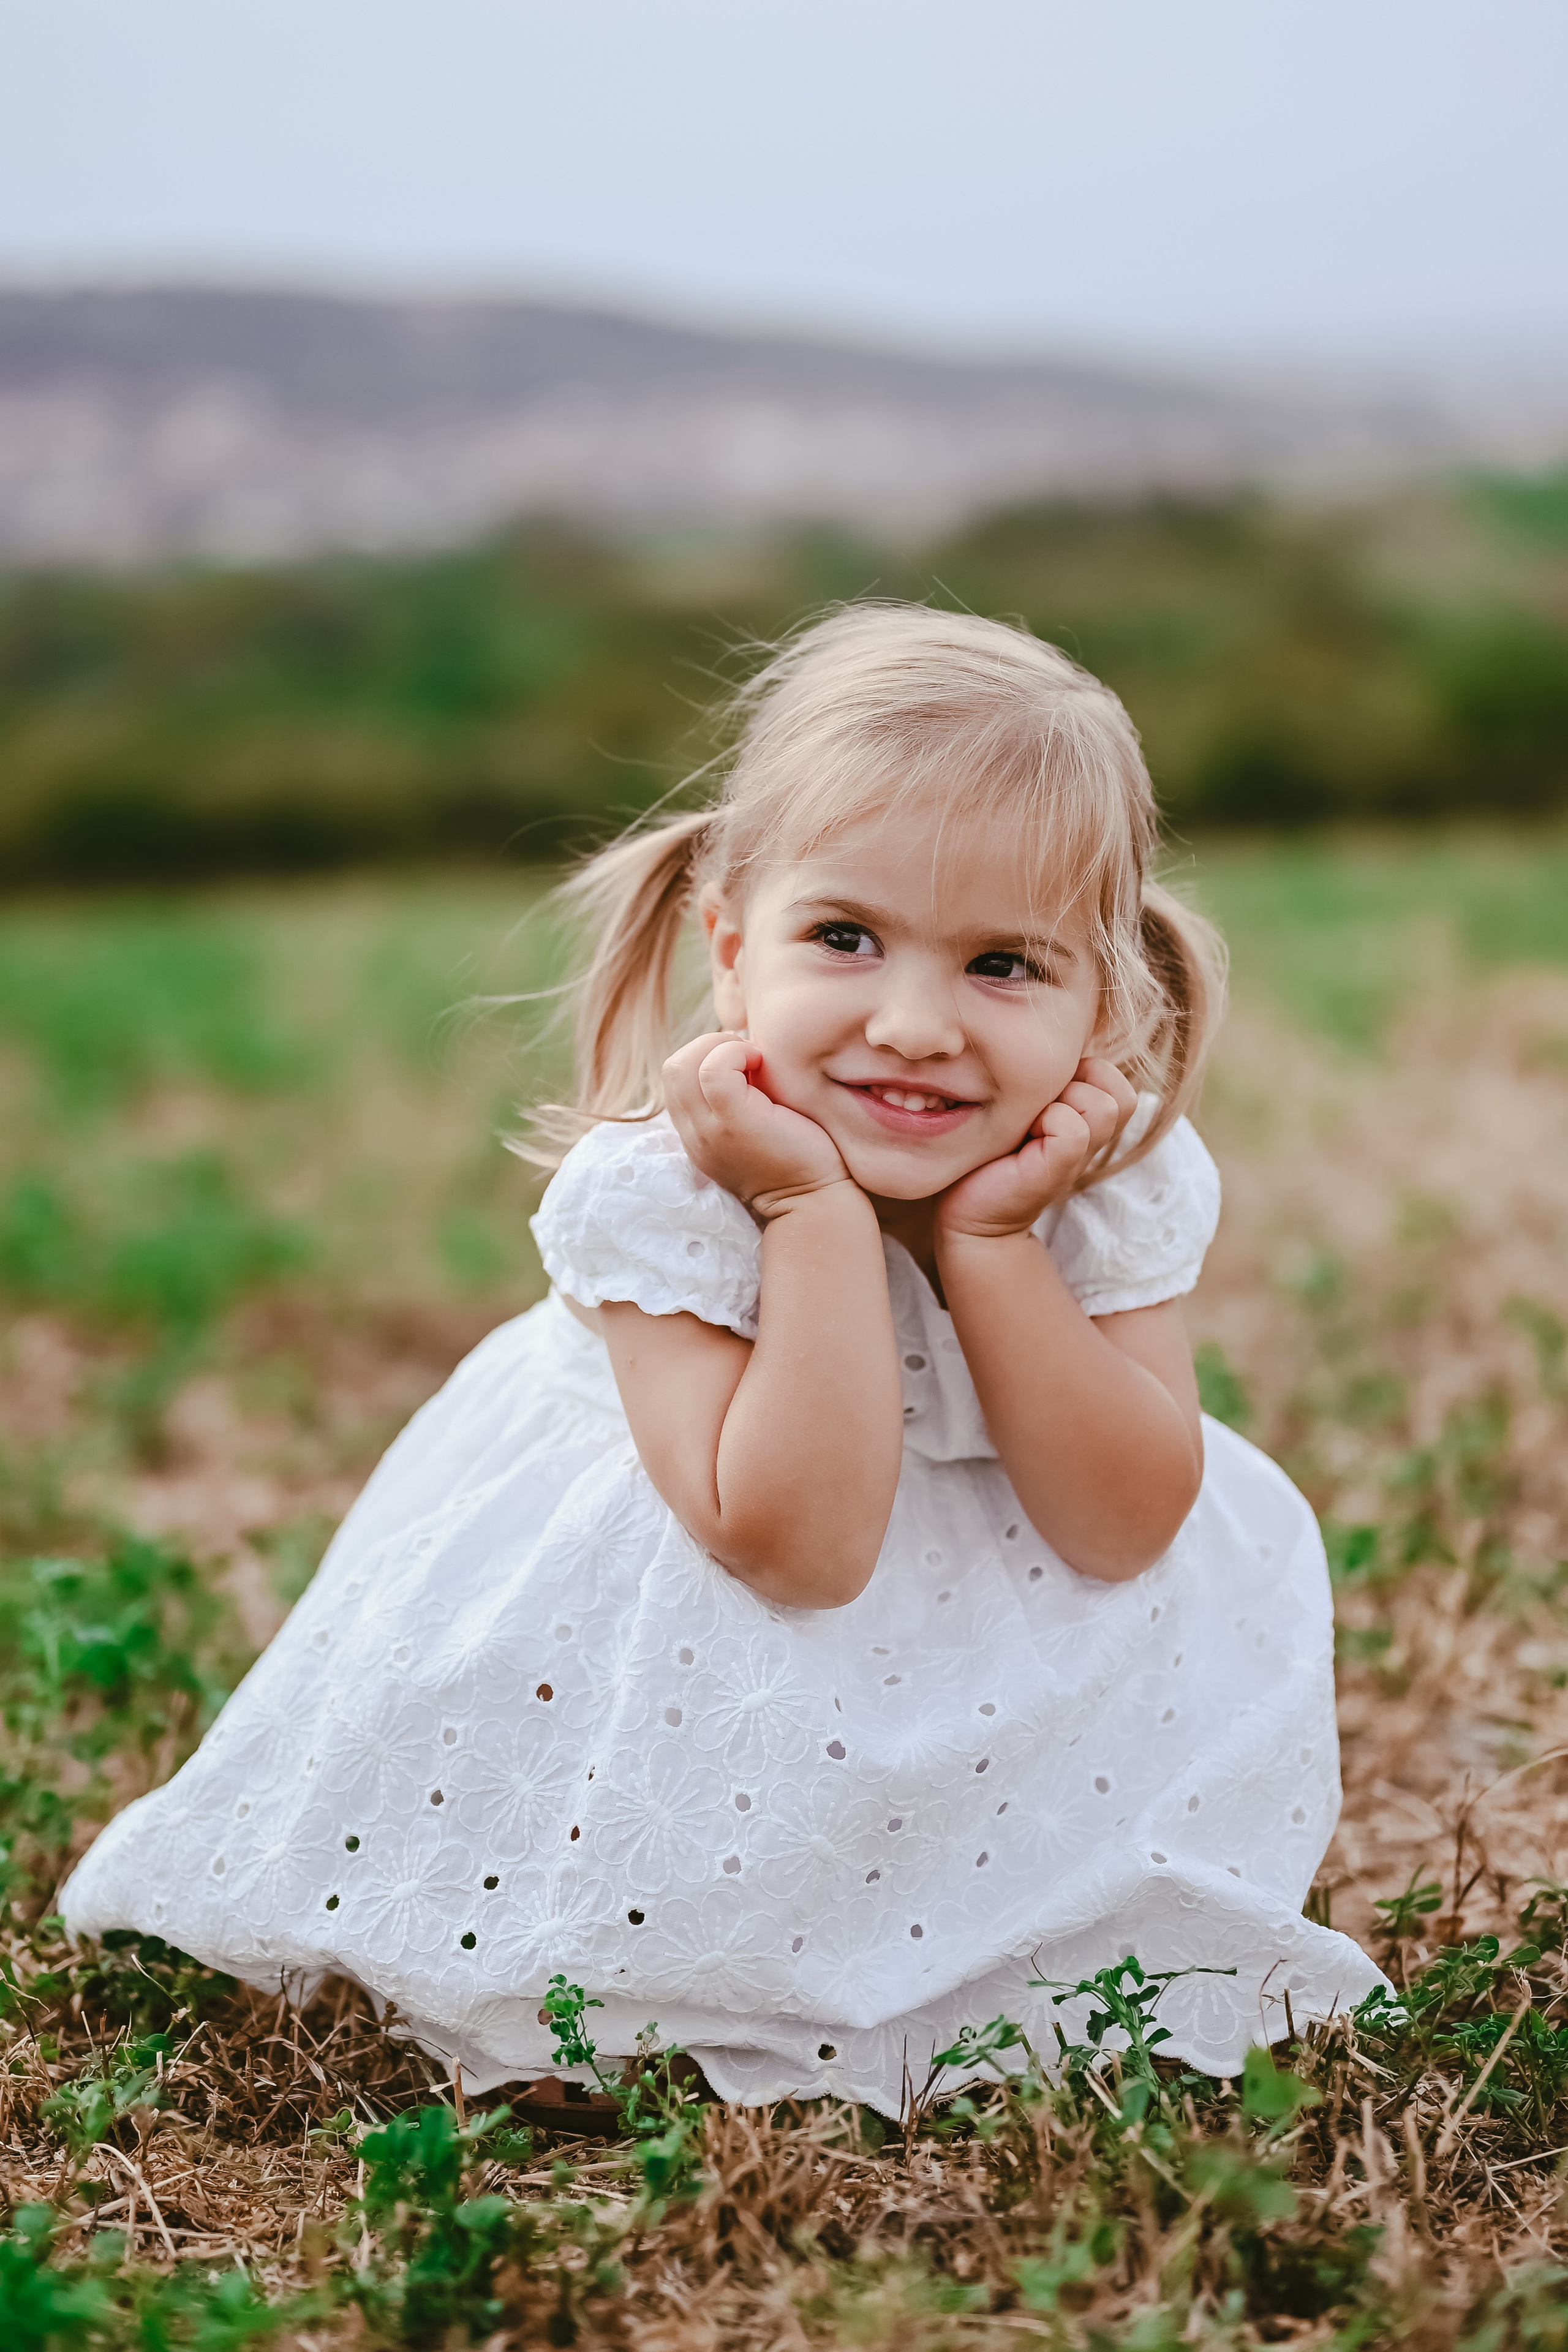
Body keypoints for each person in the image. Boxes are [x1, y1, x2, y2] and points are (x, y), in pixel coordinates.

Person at [62, 605, 1383, 2110]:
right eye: (845, 939)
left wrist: (995, 1244)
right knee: (629, 1976)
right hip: (690, 1681)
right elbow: (794, 1549)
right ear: (731, 946)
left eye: (1002, 963)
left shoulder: (1102, 1181)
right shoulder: (665, 1199)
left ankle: (987, 1917)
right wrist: (808, 1211)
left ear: (1107, 994)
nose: (913, 1025)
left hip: (995, 1705)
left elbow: (1121, 1525)